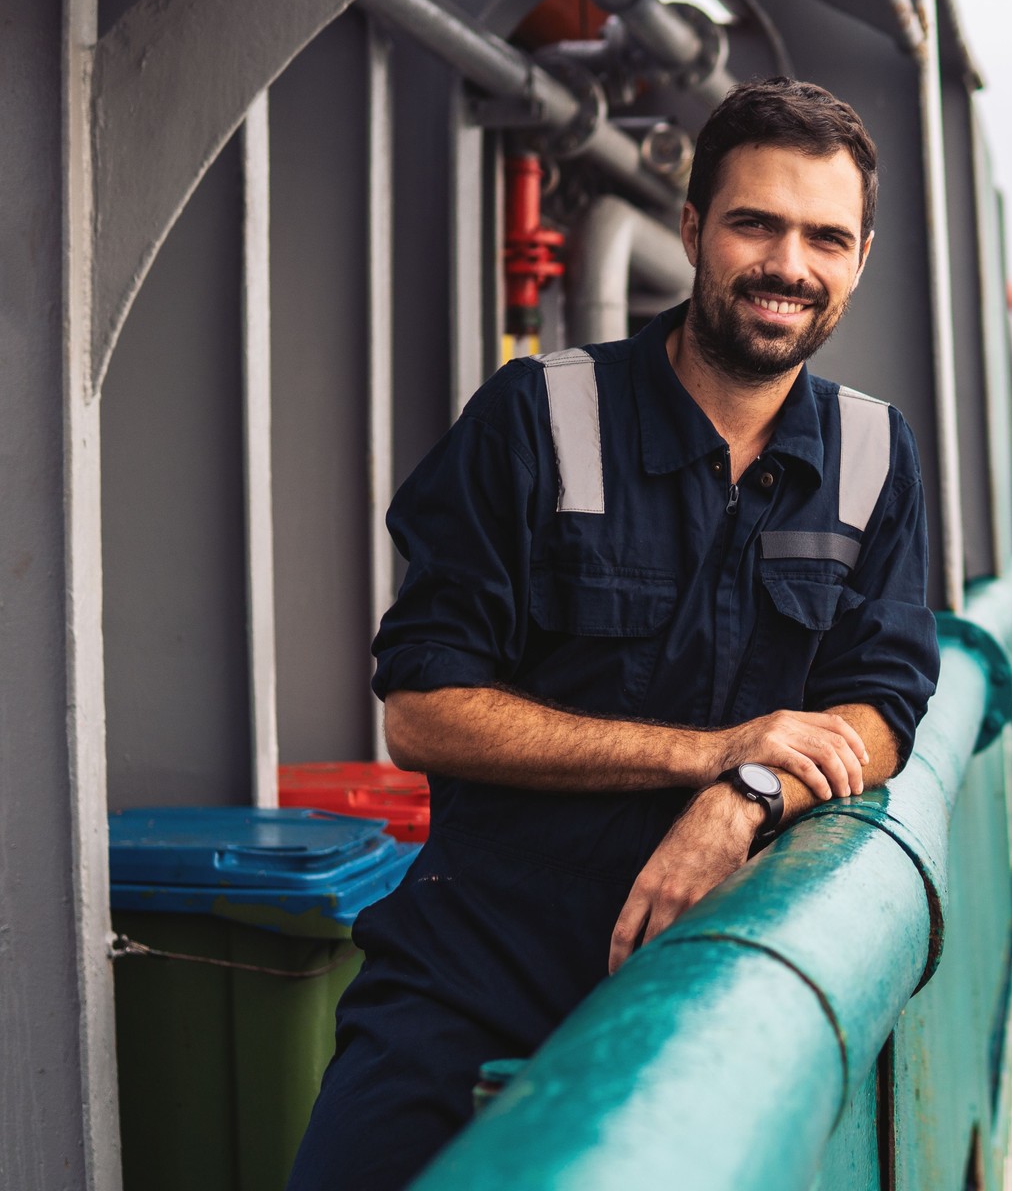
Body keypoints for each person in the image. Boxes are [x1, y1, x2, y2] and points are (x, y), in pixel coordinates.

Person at [289, 77, 941, 1190]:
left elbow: (879, 706)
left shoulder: (876, 455)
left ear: (863, 256)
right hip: (467, 978)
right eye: (755, 223)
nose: (790, 263)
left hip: (709, 999)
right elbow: (424, 709)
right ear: (691, 229)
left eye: (825, 236)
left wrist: (742, 799)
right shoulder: (537, 415)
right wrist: (707, 751)